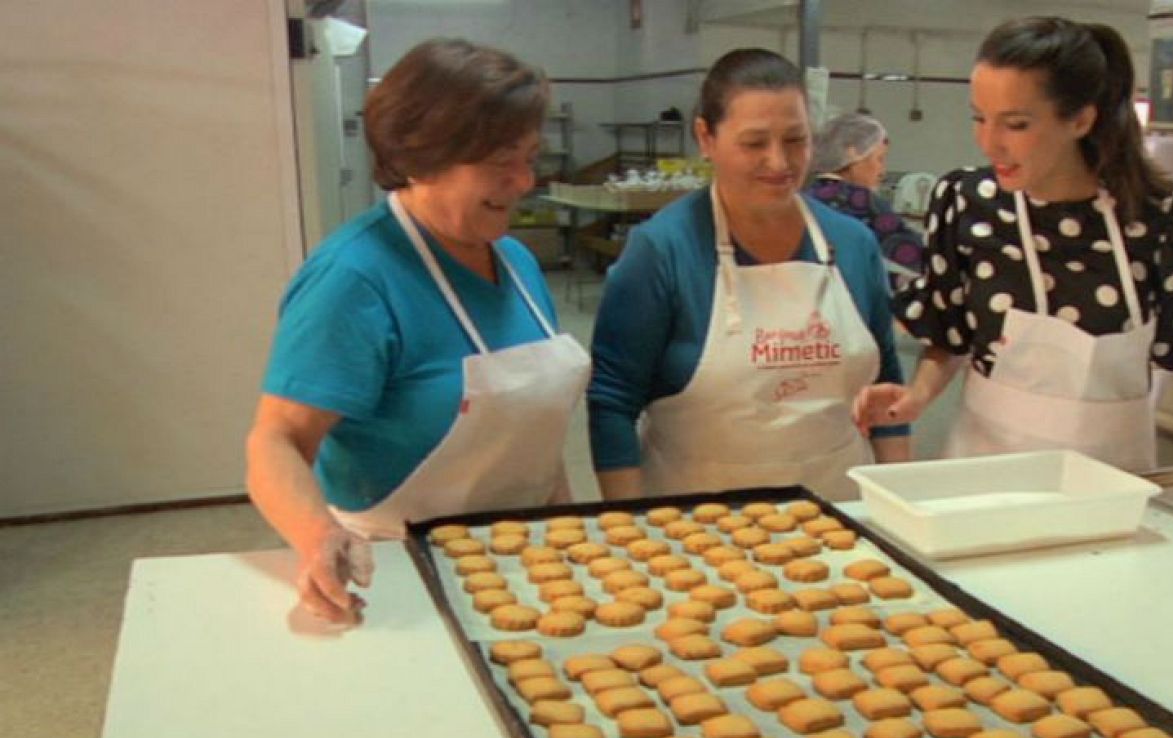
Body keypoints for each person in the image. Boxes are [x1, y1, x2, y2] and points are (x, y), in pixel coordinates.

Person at [853, 17, 1173, 485]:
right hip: (985, 468)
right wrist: (915, 397)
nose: (990, 144)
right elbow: (951, 330)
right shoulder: (966, 203)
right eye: (979, 118)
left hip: (1116, 478)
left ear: (1080, 119)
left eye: (1015, 124)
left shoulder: (1166, 214)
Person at [246, 39, 589, 621]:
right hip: (399, 570)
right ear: (422, 157)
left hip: (527, 560)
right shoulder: (355, 277)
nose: (525, 180)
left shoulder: (519, 264)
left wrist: (568, 535)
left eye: (530, 157)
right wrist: (316, 536)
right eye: (501, 160)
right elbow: (275, 442)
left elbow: (534, 431)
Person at [587, 49, 911, 502]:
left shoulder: (852, 244)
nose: (779, 163)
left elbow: (887, 387)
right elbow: (613, 402)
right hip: (694, 523)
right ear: (706, 136)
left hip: (840, 510)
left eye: (796, 140)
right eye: (755, 143)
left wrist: (897, 503)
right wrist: (633, 527)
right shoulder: (664, 250)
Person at [805, 112, 925, 283]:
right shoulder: (866, 203)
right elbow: (915, 256)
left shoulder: (800, 197)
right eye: (880, 159)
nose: (882, 171)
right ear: (853, 153)